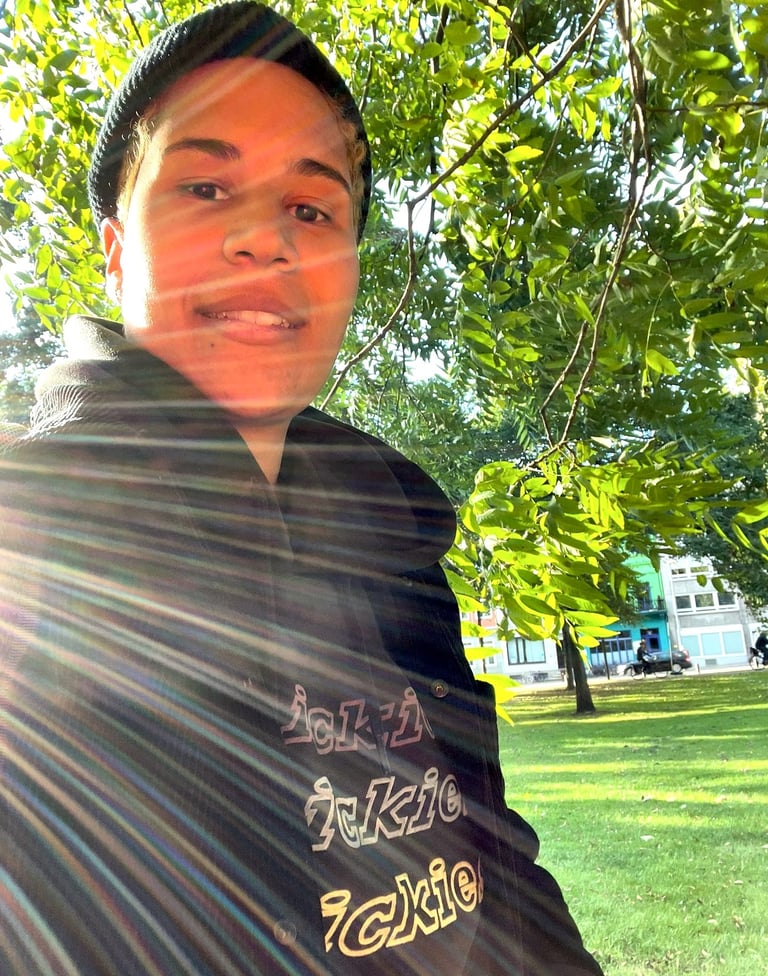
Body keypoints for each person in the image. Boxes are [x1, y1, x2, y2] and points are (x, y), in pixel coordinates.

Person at [0, 4, 603, 974]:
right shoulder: (28, 537)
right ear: (115, 251)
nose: (264, 237)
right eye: (205, 187)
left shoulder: (396, 538)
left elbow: (494, 865)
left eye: (311, 209)